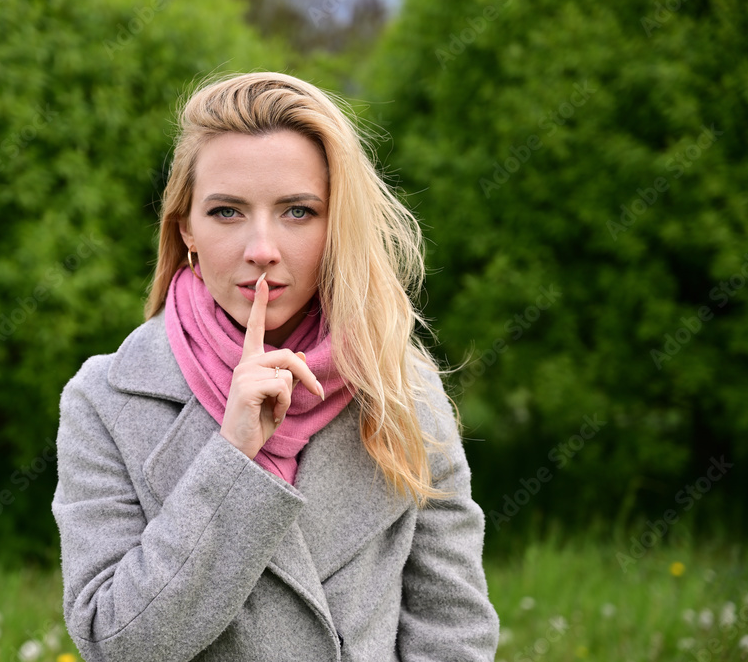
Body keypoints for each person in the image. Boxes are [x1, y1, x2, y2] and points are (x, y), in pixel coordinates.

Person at [52, 71, 500, 661]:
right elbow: (114, 644)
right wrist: (233, 457)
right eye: (227, 212)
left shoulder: (401, 388)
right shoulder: (106, 400)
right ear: (186, 228)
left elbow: (454, 634)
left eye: (297, 212)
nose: (261, 249)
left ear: (336, 225)